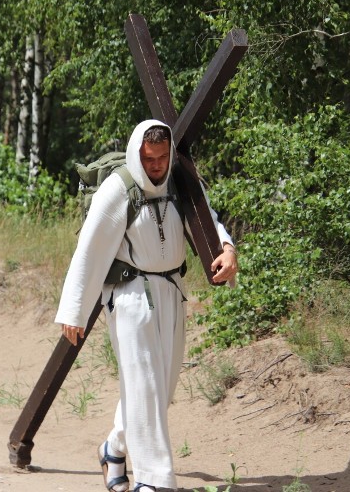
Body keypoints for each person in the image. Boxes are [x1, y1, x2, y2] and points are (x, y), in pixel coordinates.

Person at [55, 119, 238, 492]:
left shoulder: (178, 183)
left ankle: (113, 448)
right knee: (144, 386)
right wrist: (74, 312)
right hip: (130, 297)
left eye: (162, 157)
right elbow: (88, 252)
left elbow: (208, 221)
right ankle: (155, 481)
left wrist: (228, 249)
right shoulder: (117, 190)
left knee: (161, 389)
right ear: (137, 154)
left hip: (172, 291)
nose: (156, 165)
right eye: (149, 158)